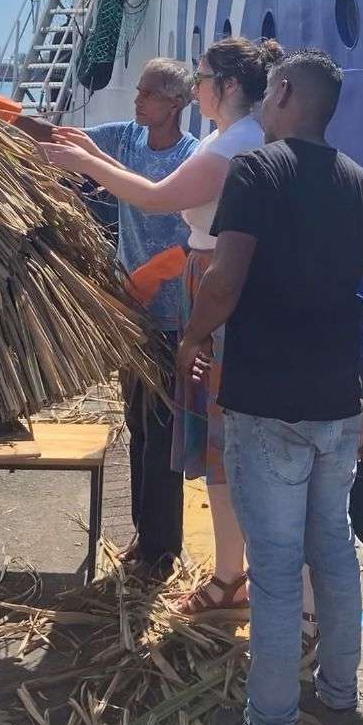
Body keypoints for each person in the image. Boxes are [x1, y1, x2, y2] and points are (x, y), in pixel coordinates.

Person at [177, 49, 363, 725]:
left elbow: (224, 277)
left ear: (279, 94)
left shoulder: (256, 170)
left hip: (267, 405)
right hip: (339, 407)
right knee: (333, 555)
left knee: (276, 572)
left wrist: (192, 336)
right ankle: (340, 709)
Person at [48, 37, 283, 614]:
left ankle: (233, 575)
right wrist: (88, 155)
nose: (199, 85)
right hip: (200, 305)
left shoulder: (227, 148)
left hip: (206, 307)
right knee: (196, 441)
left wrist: (85, 166)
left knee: (223, 448)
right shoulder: (226, 141)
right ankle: (225, 570)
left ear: (220, 88)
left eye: (202, 78)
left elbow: (157, 201)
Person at [47, 58, 197, 577]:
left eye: (149, 94)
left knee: (162, 432)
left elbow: (193, 245)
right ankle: (144, 534)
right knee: (136, 425)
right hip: (133, 317)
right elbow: (67, 140)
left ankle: (162, 548)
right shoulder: (128, 139)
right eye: (138, 92)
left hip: (174, 320)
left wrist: (150, 278)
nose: (138, 101)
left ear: (175, 103)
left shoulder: (190, 158)